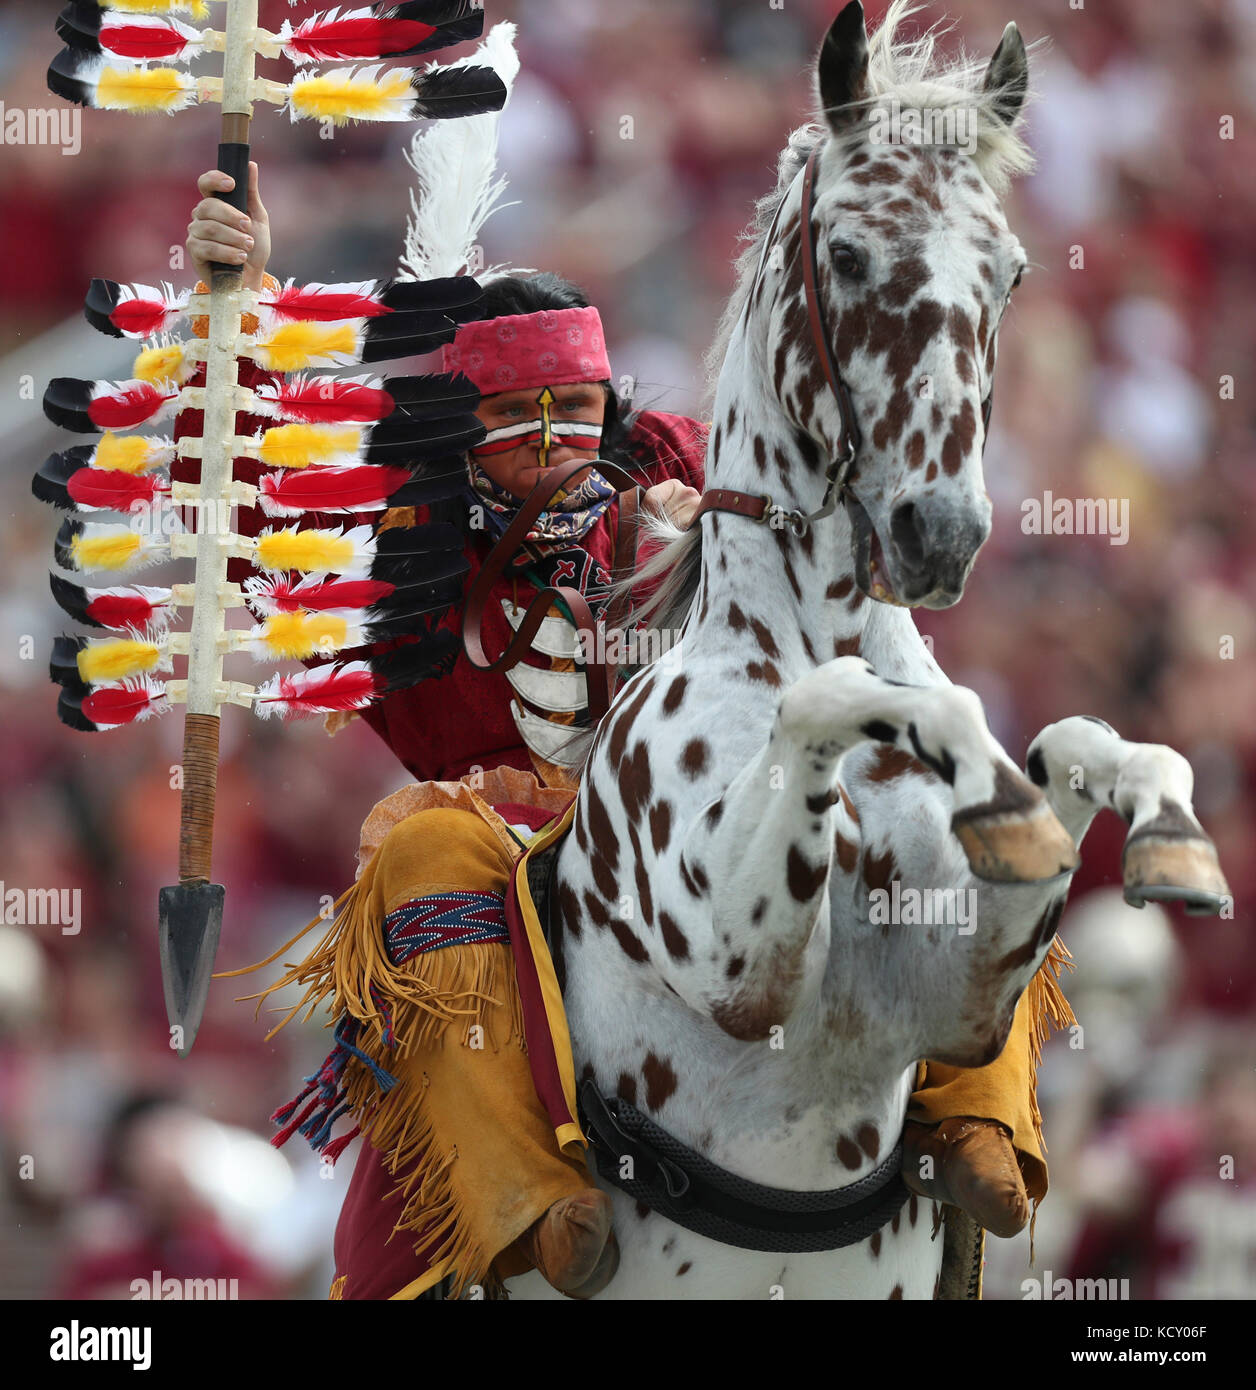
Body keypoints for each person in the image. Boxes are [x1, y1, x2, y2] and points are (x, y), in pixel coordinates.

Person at [189, 163, 1065, 1300]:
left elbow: (820, 529)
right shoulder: (396, 552)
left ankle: (971, 1116)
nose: (554, 438)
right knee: (414, 853)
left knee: (964, 815)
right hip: (501, 852)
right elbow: (265, 509)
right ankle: (522, 1196)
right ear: (458, 437)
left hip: (718, 797)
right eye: (513, 417)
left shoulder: (684, 474)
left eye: (574, 405)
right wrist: (243, 315)